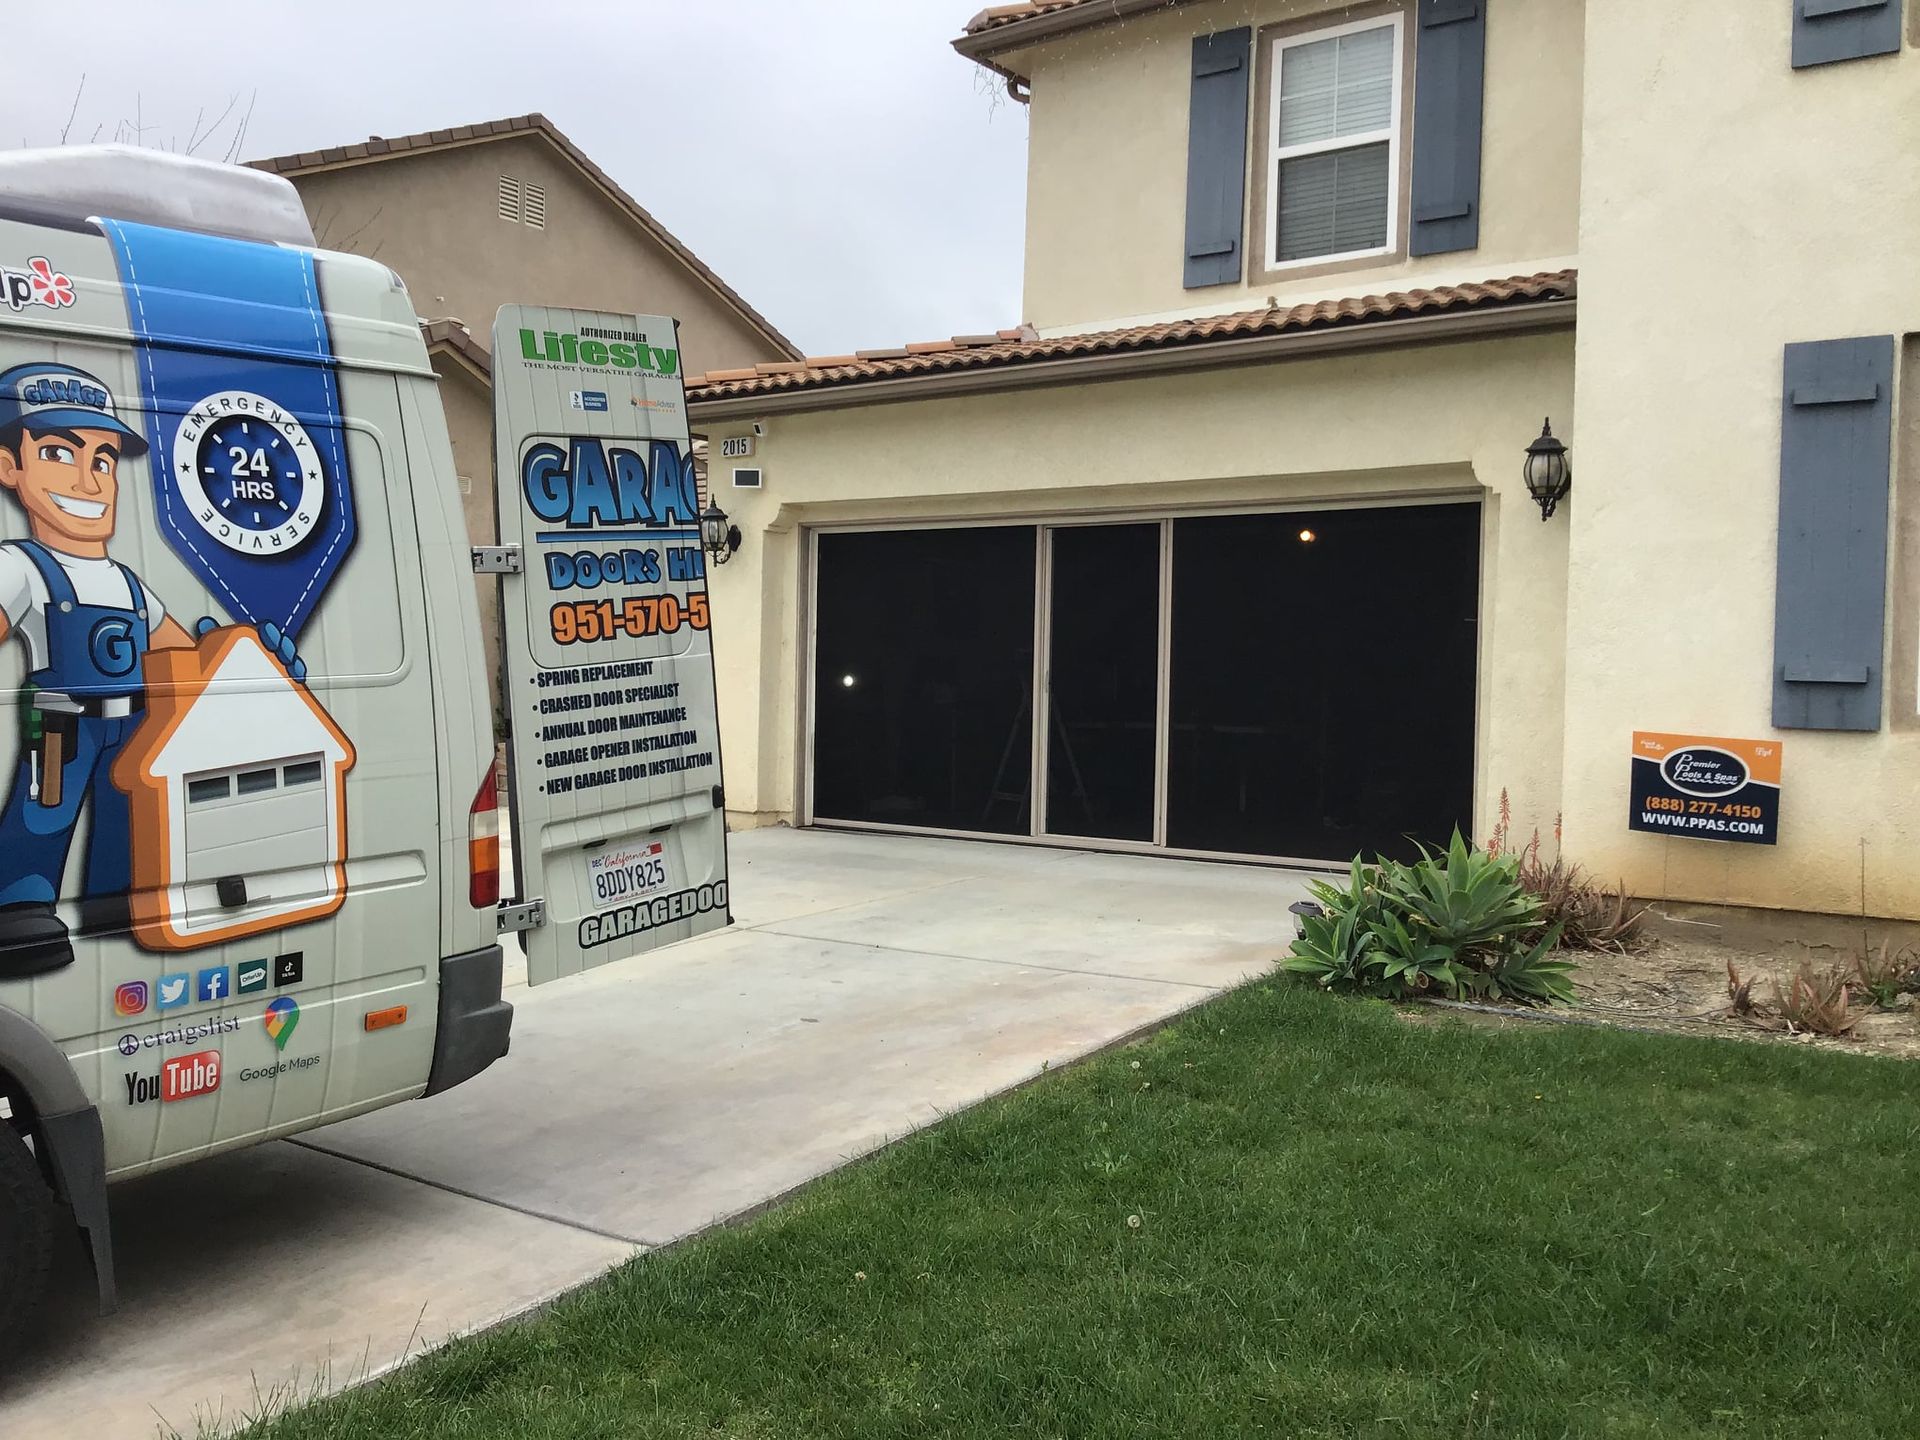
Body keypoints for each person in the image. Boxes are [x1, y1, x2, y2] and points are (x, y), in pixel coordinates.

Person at [0, 362, 300, 977]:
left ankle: (118, 897)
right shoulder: (21, 567)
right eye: (59, 453)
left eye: (103, 461)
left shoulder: (131, 585)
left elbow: (182, 658)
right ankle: (21, 906)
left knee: (131, 811)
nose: (87, 480)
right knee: (44, 809)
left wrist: (248, 663)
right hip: (59, 720)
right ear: (11, 469)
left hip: (137, 720)